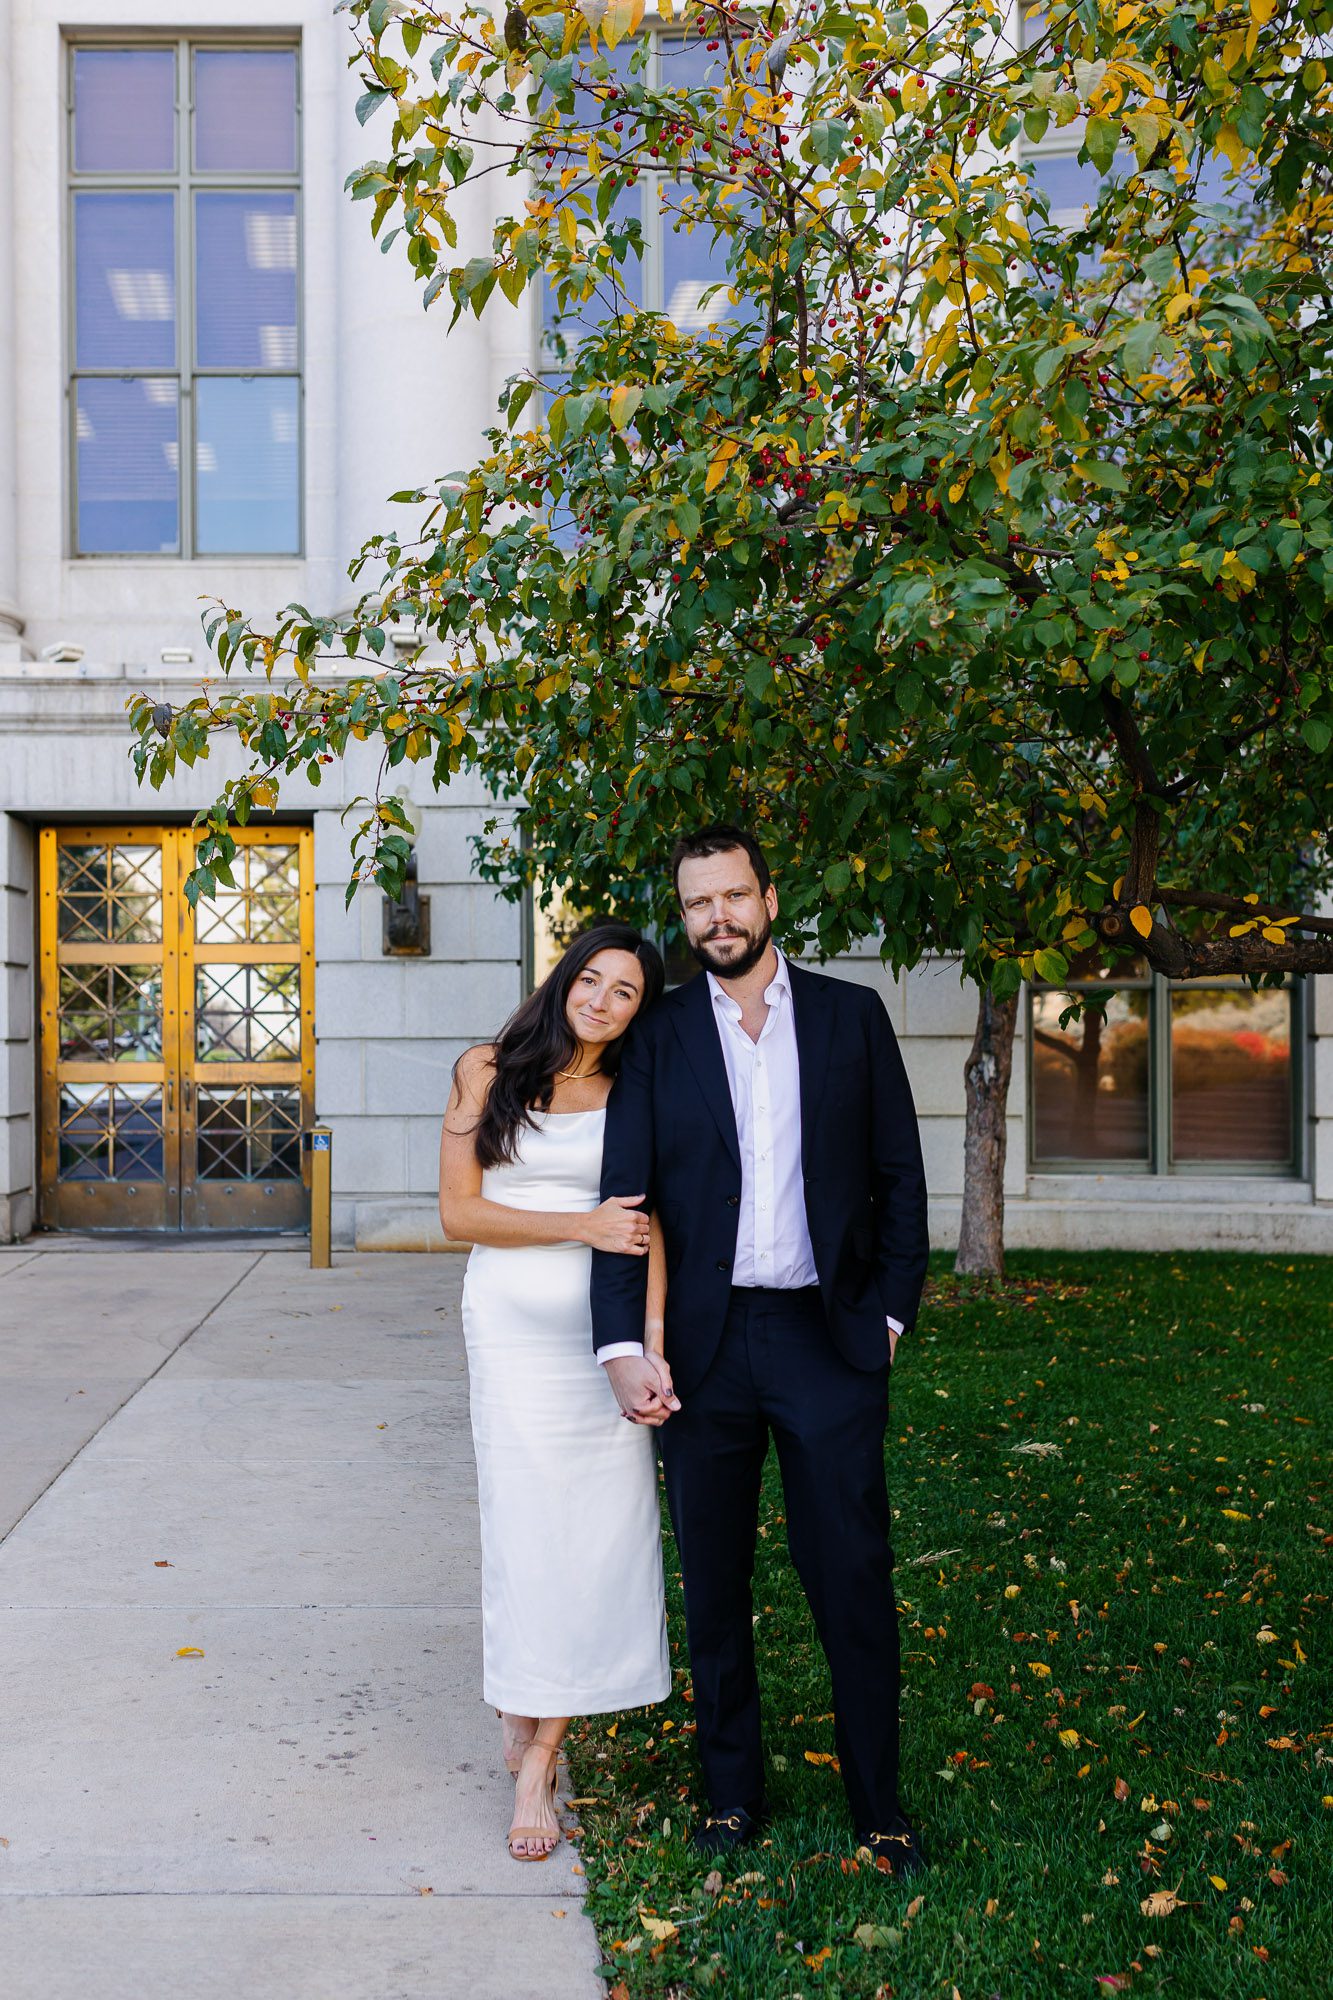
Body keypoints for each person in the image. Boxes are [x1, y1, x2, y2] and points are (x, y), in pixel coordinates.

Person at [590, 827, 931, 1872]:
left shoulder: (849, 1016)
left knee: (852, 1574)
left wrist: (886, 1315)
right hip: (704, 1345)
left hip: (826, 1338)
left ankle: (878, 1801)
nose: (718, 918)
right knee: (716, 1582)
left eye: (733, 896)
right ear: (682, 915)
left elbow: (900, 1177)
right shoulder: (657, 1035)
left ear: (770, 899)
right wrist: (620, 1344)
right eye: (698, 904)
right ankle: (732, 1792)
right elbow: (626, 1199)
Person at [440, 923, 673, 1862]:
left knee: (603, 1541)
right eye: (593, 979)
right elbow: (460, 1212)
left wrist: (650, 1346)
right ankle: (520, 1692)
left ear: (637, 1013)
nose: (603, 1001)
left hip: (602, 1338)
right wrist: (577, 1224)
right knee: (526, 1530)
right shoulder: (484, 1067)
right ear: (564, 976)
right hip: (507, 1327)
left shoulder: (632, 1092)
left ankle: (541, 1756)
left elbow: (647, 1229)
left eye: (626, 992)